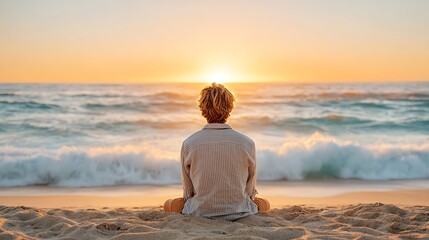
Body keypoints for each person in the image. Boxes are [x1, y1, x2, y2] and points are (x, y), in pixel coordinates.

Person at [164, 82, 270, 220]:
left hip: (200, 212)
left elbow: (188, 191)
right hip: (239, 210)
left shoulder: (189, 144)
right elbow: (249, 190)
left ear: (202, 109)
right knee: (264, 204)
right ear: (230, 108)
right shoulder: (247, 143)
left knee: (169, 204)